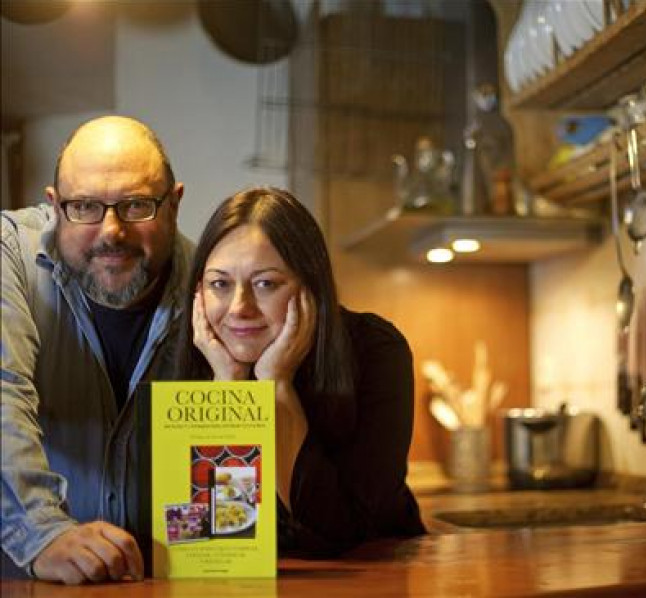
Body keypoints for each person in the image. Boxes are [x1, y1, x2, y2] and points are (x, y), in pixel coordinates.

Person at [176, 186, 425, 557]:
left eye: (266, 284)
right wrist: (228, 388)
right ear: (199, 292)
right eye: (220, 284)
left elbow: (346, 531)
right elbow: (210, 538)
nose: (240, 307)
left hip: (372, 578)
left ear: (311, 288)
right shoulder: (185, 356)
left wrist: (276, 386)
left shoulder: (377, 350)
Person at [1, 115, 193, 583]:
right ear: (55, 205)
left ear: (174, 204)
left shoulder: (213, 283)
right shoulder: (10, 255)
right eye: (84, 205)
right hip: (31, 581)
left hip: (171, 582)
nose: (111, 231)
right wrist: (42, 532)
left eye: (136, 205)